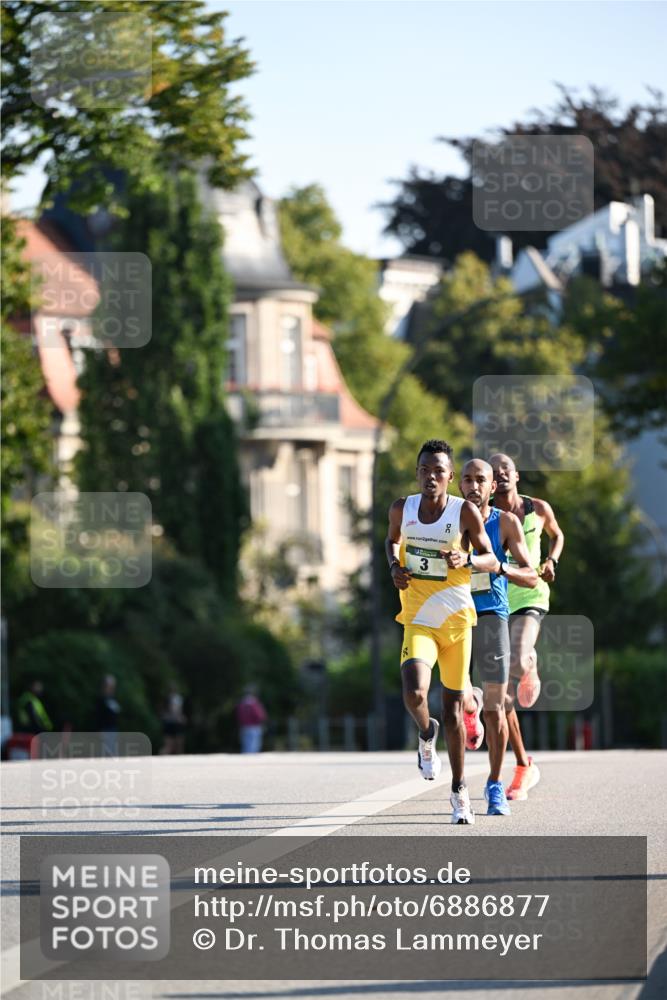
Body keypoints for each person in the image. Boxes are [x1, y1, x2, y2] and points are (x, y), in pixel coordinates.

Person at [386, 439, 497, 825]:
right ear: (417, 473)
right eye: (424, 471)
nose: (430, 477)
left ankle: (459, 790)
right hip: (418, 618)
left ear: (450, 477)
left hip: (457, 623)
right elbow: (392, 541)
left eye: (438, 472)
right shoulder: (403, 508)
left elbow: (491, 559)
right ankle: (424, 731)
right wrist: (393, 567)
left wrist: (466, 558)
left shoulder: (464, 511)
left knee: (453, 713)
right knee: (415, 691)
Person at [458, 459, 538, 816]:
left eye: (481, 480)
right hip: (454, 615)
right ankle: (470, 701)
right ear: (458, 485)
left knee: (496, 708)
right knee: (458, 699)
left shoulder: (506, 522)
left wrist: (498, 566)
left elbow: (531, 575)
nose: (474, 486)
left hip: (491, 614)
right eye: (468, 480)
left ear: (493, 488)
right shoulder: (448, 517)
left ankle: (493, 785)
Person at [489, 453, 565, 801]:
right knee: (501, 695)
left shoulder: (538, 508)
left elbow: (557, 535)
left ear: (516, 475)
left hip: (531, 594)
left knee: (518, 660)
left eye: (506, 470)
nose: (501, 476)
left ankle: (529, 663)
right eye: (495, 473)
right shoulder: (488, 515)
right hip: (496, 599)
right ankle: (523, 765)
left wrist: (551, 559)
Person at [236, 686, 267, 754]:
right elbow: (260, 716)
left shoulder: (242, 704)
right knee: (254, 747)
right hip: (254, 727)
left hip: (244, 727)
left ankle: (245, 762)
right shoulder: (254, 703)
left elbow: (239, 716)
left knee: (246, 746)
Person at [96, 674, 120, 755]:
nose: (111, 688)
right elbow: (99, 716)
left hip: (113, 729)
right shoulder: (101, 700)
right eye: (109, 686)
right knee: (105, 751)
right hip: (105, 729)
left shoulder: (113, 699)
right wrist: (100, 729)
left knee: (112, 751)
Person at [161, 690, 187, 755]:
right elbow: (175, 709)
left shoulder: (169, 697)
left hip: (169, 722)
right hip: (174, 722)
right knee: (176, 744)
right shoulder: (176, 698)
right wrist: (180, 717)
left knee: (172, 745)